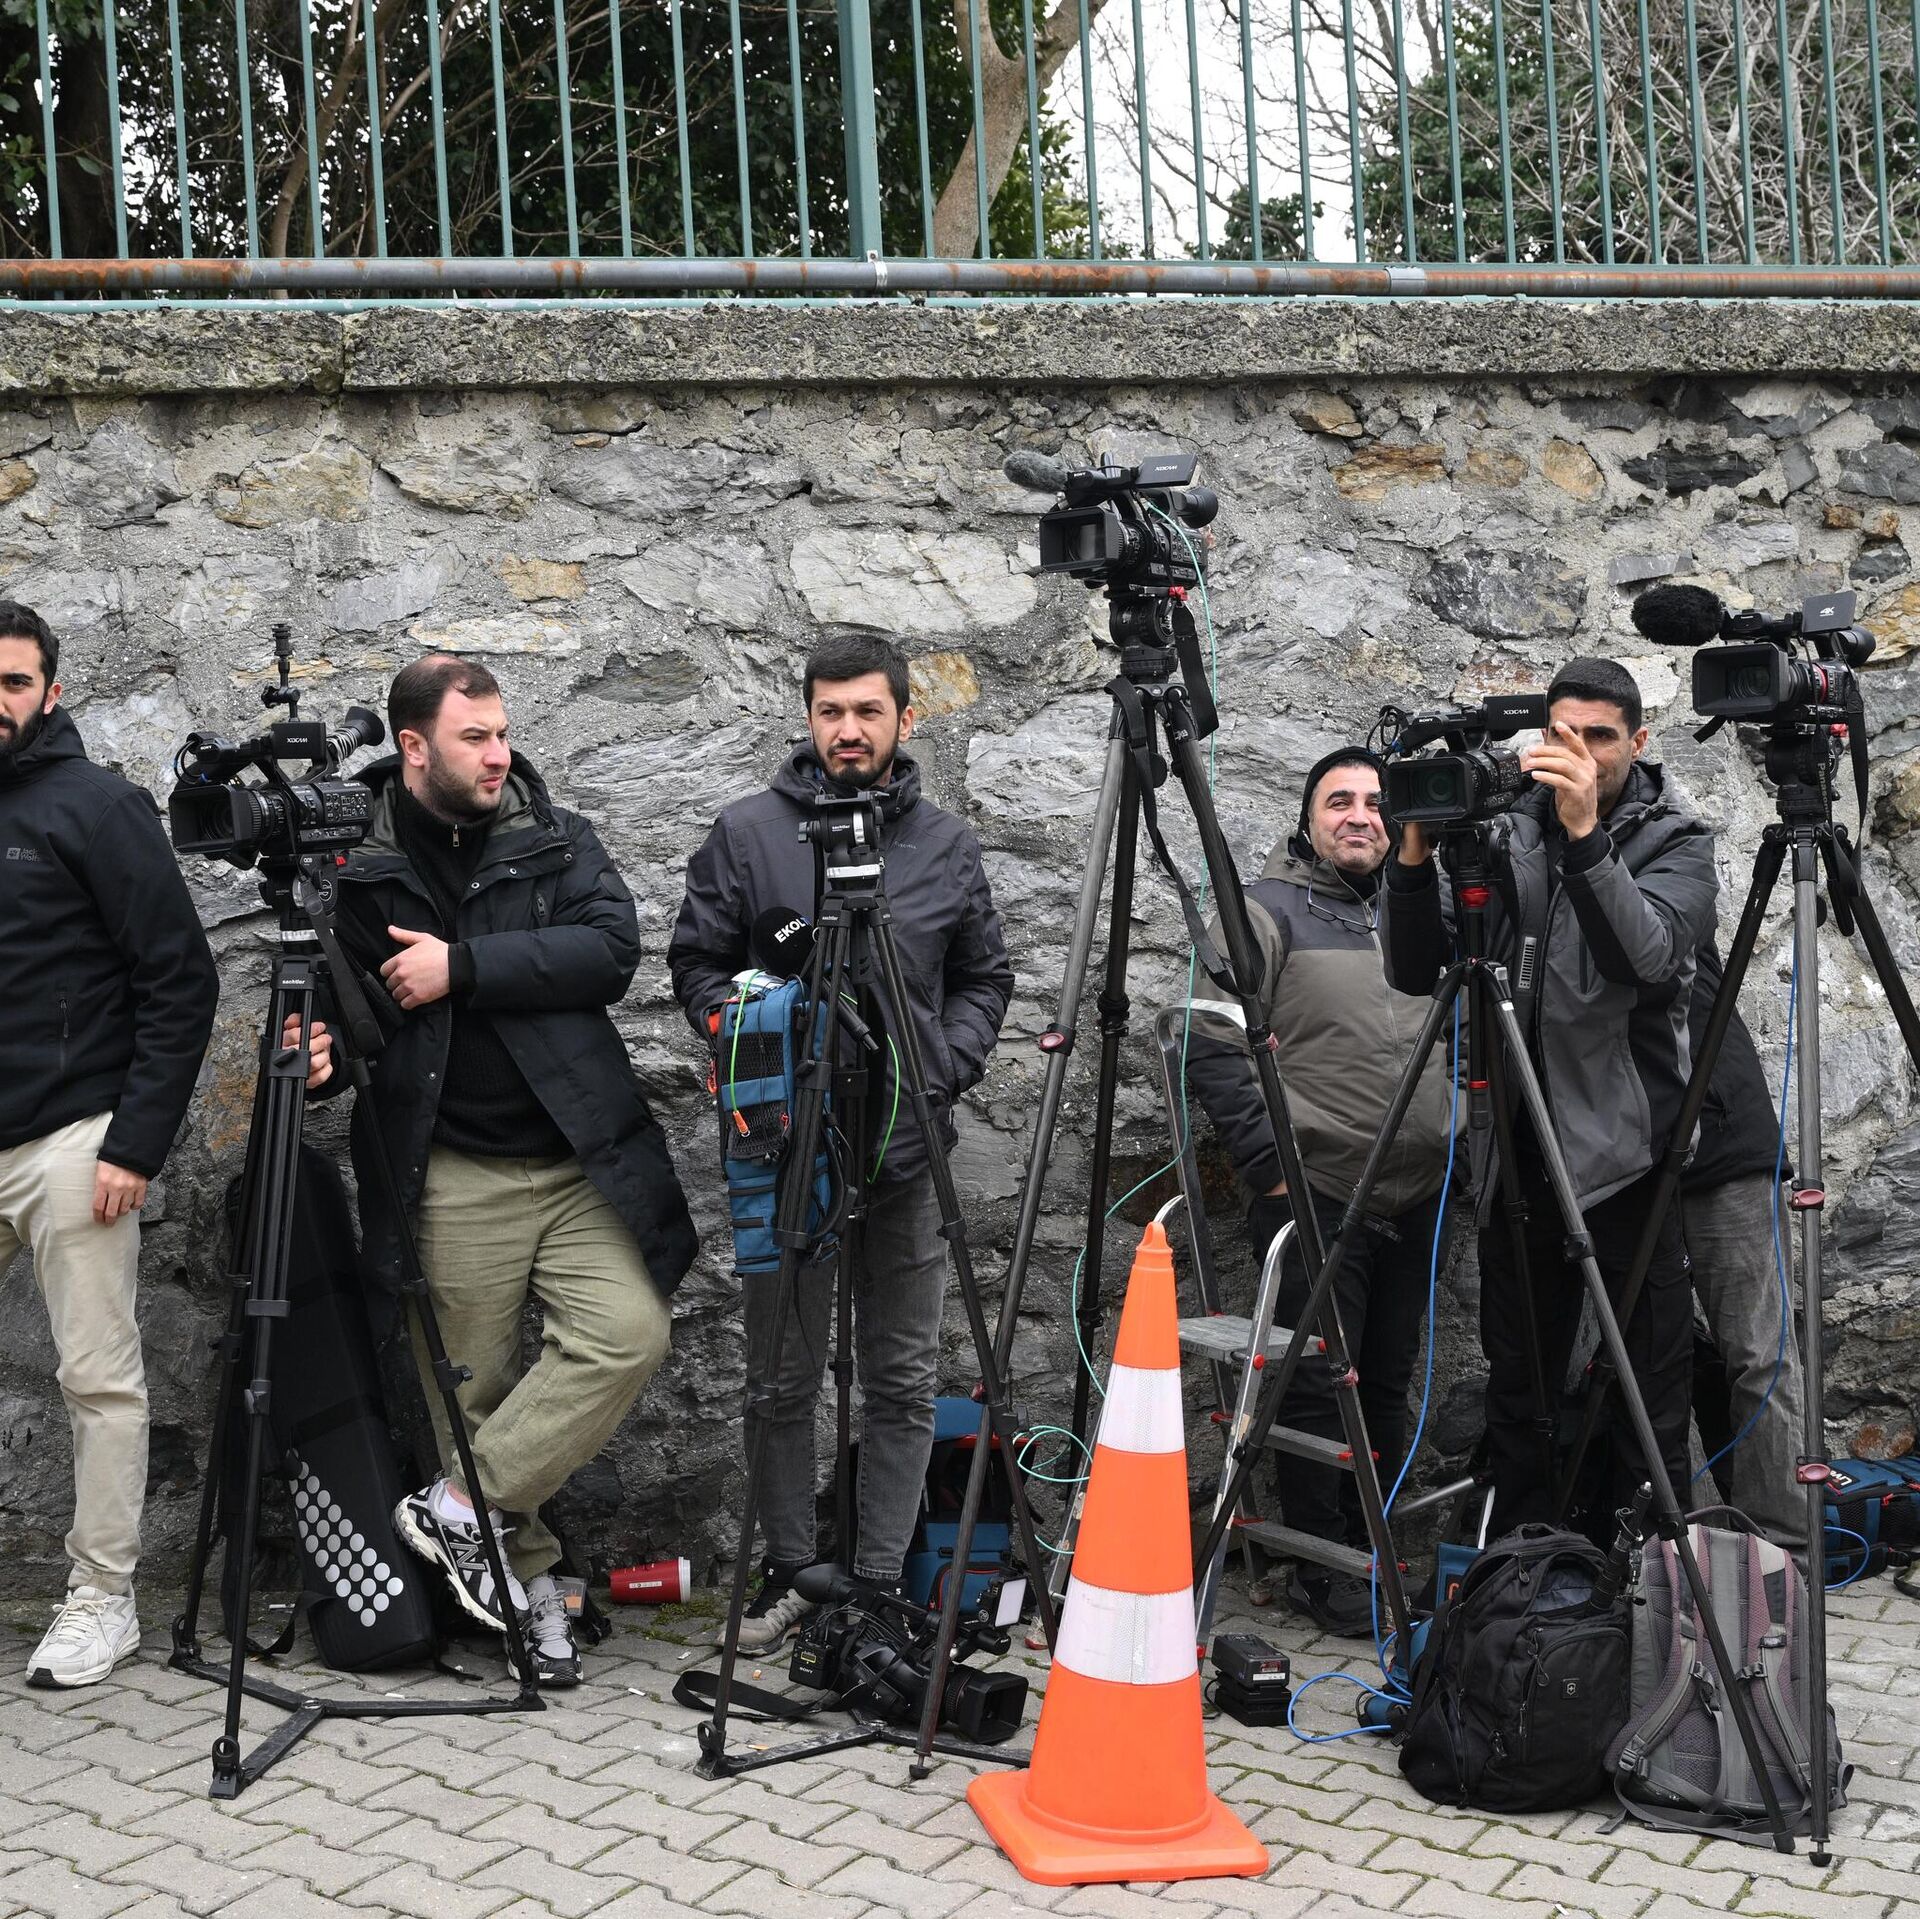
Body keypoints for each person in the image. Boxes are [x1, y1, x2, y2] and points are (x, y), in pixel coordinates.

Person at [302, 654, 696, 1685]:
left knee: (628, 1332)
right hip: (449, 1169)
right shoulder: (356, 867)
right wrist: (317, 1055)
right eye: (473, 736)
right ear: (414, 747)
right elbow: (344, 1012)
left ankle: (457, 1508)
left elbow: (610, 950)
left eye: (502, 732)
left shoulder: (554, 835)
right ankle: (530, 1594)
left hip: (575, 1160)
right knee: (464, 1397)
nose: (498, 754)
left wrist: (460, 966)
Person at [667, 633, 1013, 1652]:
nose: (848, 730)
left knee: (900, 1379)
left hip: (908, 1149)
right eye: (830, 711)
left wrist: (941, 1065)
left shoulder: (945, 844)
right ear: (809, 717)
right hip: (786, 1151)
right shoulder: (749, 833)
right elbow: (695, 964)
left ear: (906, 717)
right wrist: (749, 1033)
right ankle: (791, 1572)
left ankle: (877, 1586)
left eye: (867, 711)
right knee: (780, 1377)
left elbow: (984, 976)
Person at [1382, 657, 1717, 1538]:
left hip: (1626, 1153)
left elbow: (1645, 959)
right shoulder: (1507, 826)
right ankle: (1526, 1567)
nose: (1581, 752)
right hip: (1516, 1142)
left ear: (1638, 742)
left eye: (1600, 736)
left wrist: (1584, 836)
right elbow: (1414, 969)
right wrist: (1412, 857)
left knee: (1647, 1374)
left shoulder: (1678, 840)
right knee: (1520, 1376)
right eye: (1563, 733)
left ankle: (1651, 1571)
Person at [1186, 749, 1458, 1635]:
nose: (1360, 815)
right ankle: (1318, 1566)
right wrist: (1274, 1168)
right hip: (1318, 1188)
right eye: (1339, 800)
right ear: (1309, 819)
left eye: (1376, 802)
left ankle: (1369, 1552)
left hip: (1418, 1192)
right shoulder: (1262, 910)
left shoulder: (1427, 909)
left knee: (1385, 1379)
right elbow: (1210, 1046)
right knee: (1314, 1384)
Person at [0, 602, 218, 1686]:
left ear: (49, 691)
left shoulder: (97, 806)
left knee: (97, 1379)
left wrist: (133, 1143)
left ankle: (102, 1598)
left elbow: (181, 979)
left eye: (11, 682)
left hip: (73, 1137)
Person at [1682, 938, 1809, 1550]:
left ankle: (1785, 1553)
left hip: (1721, 1139)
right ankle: (1691, 1550)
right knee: (1646, 1366)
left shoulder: (1666, 871)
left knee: (1760, 1356)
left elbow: (1650, 949)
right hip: (1620, 1156)